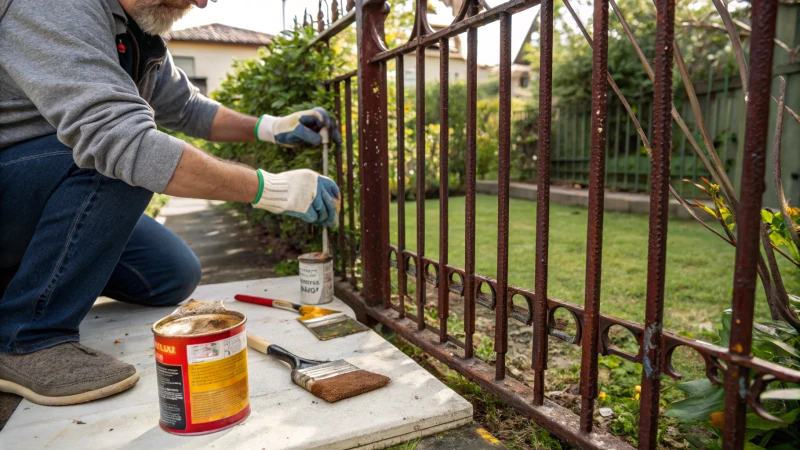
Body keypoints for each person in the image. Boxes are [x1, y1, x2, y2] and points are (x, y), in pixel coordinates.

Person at [0, 0, 341, 406]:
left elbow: (187, 108)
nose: (200, 2)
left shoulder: (140, 33)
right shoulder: (53, 7)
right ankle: (26, 338)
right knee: (122, 159)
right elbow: (122, 141)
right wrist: (273, 190)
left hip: (40, 192)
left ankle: (26, 283)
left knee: (170, 275)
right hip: (14, 184)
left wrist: (272, 128)